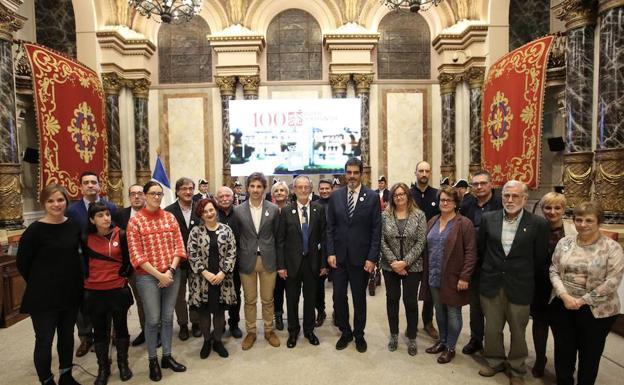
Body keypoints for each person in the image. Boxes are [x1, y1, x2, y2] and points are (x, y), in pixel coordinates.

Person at [477, 180, 549, 385]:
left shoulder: (538, 224)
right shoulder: (488, 219)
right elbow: (482, 250)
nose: (510, 200)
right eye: (506, 196)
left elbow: (539, 258)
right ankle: (494, 360)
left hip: (520, 285)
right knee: (492, 327)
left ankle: (517, 370)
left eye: (515, 196)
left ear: (525, 198)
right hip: (491, 283)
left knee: (518, 331)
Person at [549, 201, 623, 385]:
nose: (583, 224)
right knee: (563, 351)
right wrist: (564, 296)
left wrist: (582, 300)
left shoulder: (612, 248)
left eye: (589, 220)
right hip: (563, 304)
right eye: (579, 219)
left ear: (599, 222)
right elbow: (554, 270)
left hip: (596, 310)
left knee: (590, 354)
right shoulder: (565, 243)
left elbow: (612, 281)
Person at [17, 184, 84, 385]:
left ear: (66, 201)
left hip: (69, 292)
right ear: (44, 203)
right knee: (45, 340)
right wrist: (42, 281)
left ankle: (66, 375)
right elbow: (23, 264)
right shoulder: (34, 231)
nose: (56, 204)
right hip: (43, 296)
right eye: (51, 201)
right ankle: (46, 380)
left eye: (60, 200)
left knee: (67, 337)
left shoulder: (73, 225)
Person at [126, 181, 187, 381]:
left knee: (168, 318)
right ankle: (152, 359)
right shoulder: (135, 222)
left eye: (159, 194)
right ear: (144, 195)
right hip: (147, 278)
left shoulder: (169, 217)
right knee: (153, 320)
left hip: (171, 274)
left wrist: (169, 271)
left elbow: (179, 247)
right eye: (152, 193)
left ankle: (166, 356)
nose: (157, 197)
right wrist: (159, 275)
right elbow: (136, 256)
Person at [326, 158, 381, 353]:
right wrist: (330, 252)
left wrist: (372, 258)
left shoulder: (372, 197)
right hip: (338, 259)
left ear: (361, 174)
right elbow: (330, 227)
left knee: (359, 298)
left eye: (355, 173)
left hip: (361, 259)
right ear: (345, 174)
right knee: (339, 296)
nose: (351, 176)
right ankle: (345, 331)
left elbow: (376, 230)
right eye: (348, 173)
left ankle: (359, 334)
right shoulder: (336, 196)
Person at [420, 186, 477, 364]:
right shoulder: (433, 221)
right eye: (442, 200)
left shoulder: (464, 223)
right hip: (434, 275)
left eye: (448, 200)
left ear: (455, 203)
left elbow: (471, 252)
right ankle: (442, 341)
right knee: (440, 312)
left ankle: (451, 347)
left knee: (453, 314)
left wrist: (464, 277)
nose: (444, 203)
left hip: (454, 277)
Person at [66, 171, 117, 357]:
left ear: (99, 185)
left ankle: (109, 334)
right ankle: (86, 337)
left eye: (93, 182)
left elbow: (117, 234)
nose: (90, 185)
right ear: (80, 186)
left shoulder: (111, 207)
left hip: (107, 265)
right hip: (81, 265)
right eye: (86, 182)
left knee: (108, 303)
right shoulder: (72, 211)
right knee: (83, 304)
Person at [82, 202, 134, 385]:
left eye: (107, 214)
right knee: (100, 332)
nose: (105, 218)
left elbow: (129, 262)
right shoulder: (84, 237)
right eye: (100, 215)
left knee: (121, 328)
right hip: (94, 291)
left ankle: (123, 364)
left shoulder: (121, 234)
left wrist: (122, 279)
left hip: (117, 289)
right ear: (91, 219)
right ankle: (103, 368)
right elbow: (82, 264)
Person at [230, 172, 281, 350]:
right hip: (246, 260)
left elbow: (276, 235)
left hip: (268, 260)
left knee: (268, 299)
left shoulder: (273, 209)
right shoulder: (238, 210)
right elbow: (236, 236)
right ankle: (251, 332)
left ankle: (269, 330)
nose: (255, 190)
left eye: (259, 186)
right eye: (252, 186)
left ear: (264, 188)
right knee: (250, 300)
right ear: (247, 188)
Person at [277, 175, 327, 348]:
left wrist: (323, 264)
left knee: (310, 298)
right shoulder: (285, 211)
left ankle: (309, 330)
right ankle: (293, 331)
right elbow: (280, 241)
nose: (303, 190)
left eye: (306, 187)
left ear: (311, 189)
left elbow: (324, 237)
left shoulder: (318, 209)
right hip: (291, 264)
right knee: (292, 299)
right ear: (294, 190)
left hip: (312, 262)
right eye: (300, 187)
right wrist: (281, 265)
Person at [458, 169, 502, 355]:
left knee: (493, 309)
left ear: (491, 184)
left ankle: (495, 347)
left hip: (494, 263)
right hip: (473, 263)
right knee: (475, 306)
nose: (479, 187)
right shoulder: (467, 204)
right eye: (475, 184)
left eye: (483, 183)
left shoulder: (501, 204)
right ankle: (476, 339)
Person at [379, 182, 426, 356]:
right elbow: (381, 240)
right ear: (392, 197)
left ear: (408, 196)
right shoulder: (384, 216)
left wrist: (404, 262)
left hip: (412, 266)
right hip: (389, 266)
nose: (399, 197)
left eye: (402, 194)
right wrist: (394, 263)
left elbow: (421, 242)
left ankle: (412, 337)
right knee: (392, 300)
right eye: (396, 194)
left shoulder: (419, 215)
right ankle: (393, 335)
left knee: (410, 302)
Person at [187, 198, 237, 359]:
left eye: (211, 210)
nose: (209, 213)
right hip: (202, 279)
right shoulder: (195, 231)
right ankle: (206, 341)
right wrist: (204, 272)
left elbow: (232, 252)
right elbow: (191, 254)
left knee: (219, 311)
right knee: (204, 311)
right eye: (205, 211)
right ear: (200, 214)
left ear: (215, 210)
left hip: (222, 278)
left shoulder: (226, 230)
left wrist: (223, 272)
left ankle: (217, 341)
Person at [531, 192, 574, 377]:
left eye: (557, 208)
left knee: (561, 329)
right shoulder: (537, 227)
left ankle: (563, 366)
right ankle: (540, 359)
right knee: (540, 325)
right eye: (548, 207)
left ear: (564, 209)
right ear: (542, 209)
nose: (552, 212)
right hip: (540, 284)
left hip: (564, 287)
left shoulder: (573, 229)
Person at [165, 177, 201, 340]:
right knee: (178, 295)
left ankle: (196, 322)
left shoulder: (200, 208)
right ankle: (183, 324)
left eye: (190, 188)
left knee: (196, 293)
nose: (188, 192)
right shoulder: (168, 211)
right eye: (184, 189)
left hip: (197, 261)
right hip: (176, 261)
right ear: (177, 192)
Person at [114, 184, 149, 347]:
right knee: (138, 301)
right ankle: (144, 331)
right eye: (133, 194)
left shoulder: (153, 214)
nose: (136, 197)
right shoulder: (120, 215)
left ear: (145, 196)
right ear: (129, 197)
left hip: (149, 267)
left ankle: (153, 331)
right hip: (128, 267)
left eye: (140, 193)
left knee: (149, 301)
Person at [409, 161, 439, 340]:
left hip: (432, 248)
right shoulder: (408, 195)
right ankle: (412, 324)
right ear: (415, 172)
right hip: (411, 249)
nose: (424, 173)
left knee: (430, 288)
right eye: (421, 170)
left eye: (427, 170)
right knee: (411, 291)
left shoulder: (437, 194)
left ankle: (428, 321)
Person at [215, 185, 243, 338]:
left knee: (235, 295)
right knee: (216, 295)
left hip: (236, 263)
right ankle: (219, 325)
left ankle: (234, 324)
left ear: (233, 197)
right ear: (216, 199)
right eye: (221, 197)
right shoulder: (211, 213)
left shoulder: (239, 214)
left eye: (228, 196)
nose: (225, 199)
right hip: (215, 264)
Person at [270, 180, 290, 331]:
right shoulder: (269, 211)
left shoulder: (292, 210)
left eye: (282, 190)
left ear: (287, 193)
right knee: (277, 289)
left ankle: (292, 315)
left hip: (290, 256)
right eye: (276, 191)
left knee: (291, 289)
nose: (279, 193)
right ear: (272, 194)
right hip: (273, 256)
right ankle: (278, 314)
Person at [314, 178, 333, 326]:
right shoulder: (314, 206)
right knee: (318, 287)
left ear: (331, 189)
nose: (325, 191)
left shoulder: (338, 204)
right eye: (322, 189)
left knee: (339, 287)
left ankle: (338, 312)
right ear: (318, 190)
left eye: (327, 188)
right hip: (320, 251)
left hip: (335, 250)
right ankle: (321, 311)